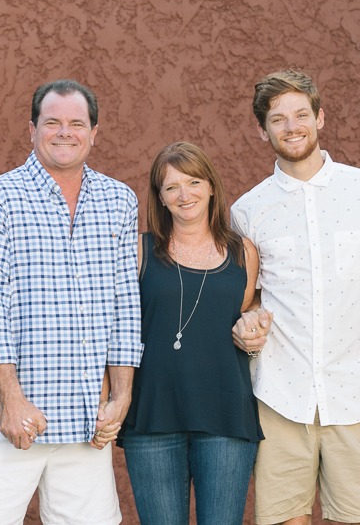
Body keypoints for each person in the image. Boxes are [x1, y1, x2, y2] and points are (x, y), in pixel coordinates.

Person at [230, 69, 360, 525]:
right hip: (278, 400)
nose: (291, 126)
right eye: (277, 119)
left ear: (321, 118)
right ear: (262, 130)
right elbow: (243, 305)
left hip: (355, 397)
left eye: (301, 114)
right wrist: (247, 326)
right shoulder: (247, 211)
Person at [0, 79, 144, 525]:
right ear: (32, 129)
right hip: (14, 417)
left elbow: (125, 305)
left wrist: (121, 396)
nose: (65, 132)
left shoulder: (119, 200)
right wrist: (11, 400)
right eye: (53, 122)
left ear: (94, 132)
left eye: (77, 123)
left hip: (87, 421)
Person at [117, 142, 263, 525]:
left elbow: (245, 309)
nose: (185, 195)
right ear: (160, 198)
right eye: (171, 187)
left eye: (194, 181)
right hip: (152, 416)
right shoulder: (139, 251)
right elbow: (117, 327)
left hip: (226, 414)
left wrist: (253, 322)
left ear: (212, 186)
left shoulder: (242, 252)